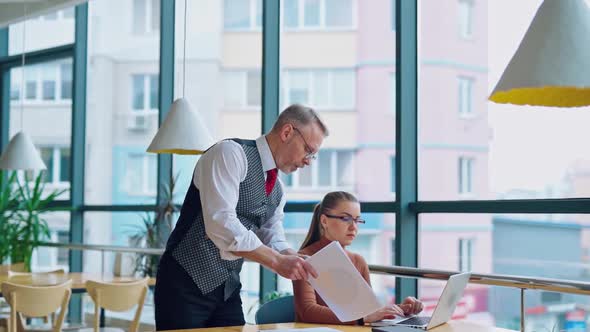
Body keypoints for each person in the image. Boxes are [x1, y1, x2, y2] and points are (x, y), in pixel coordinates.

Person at [155, 104, 329, 329]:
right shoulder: (229, 153)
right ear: (287, 132)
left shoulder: (277, 188)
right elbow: (221, 224)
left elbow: (271, 231)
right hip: (184, 283)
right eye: (308, 150)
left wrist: (290, 255)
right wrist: (277, 261)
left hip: (227, 289)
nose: (308, 160)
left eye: (312, 156)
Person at [293, 191, 424, 325]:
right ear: (324, 221)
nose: (353, 227)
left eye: (357, 220)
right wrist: (361, 318)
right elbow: (307, 312)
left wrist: (401, 309)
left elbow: (369, 310)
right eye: (346, 219)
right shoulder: (303, 259)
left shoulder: (358, 261)